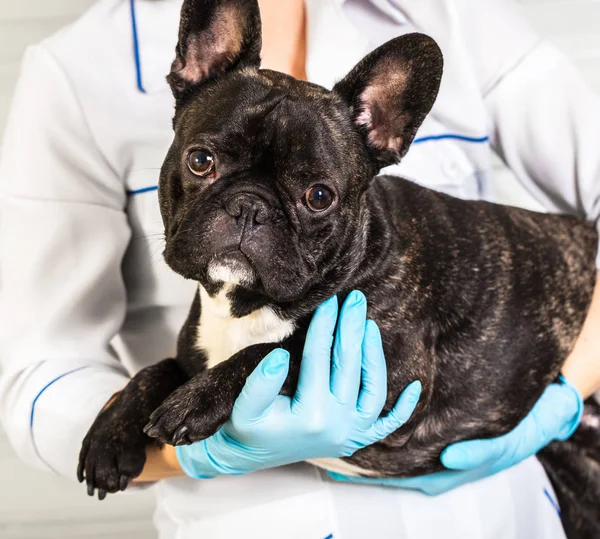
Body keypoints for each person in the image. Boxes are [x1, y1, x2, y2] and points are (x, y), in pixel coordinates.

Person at [0, 0, 598, 537]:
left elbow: (387, 372)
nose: (248, 218)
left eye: (315, 198)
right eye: (205, 162)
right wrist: (187, 453)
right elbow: (40, 364)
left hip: (494, 509)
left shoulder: (454, 14)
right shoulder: (74, 69)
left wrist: (570, 393)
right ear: (192, 66)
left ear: (384, 136)